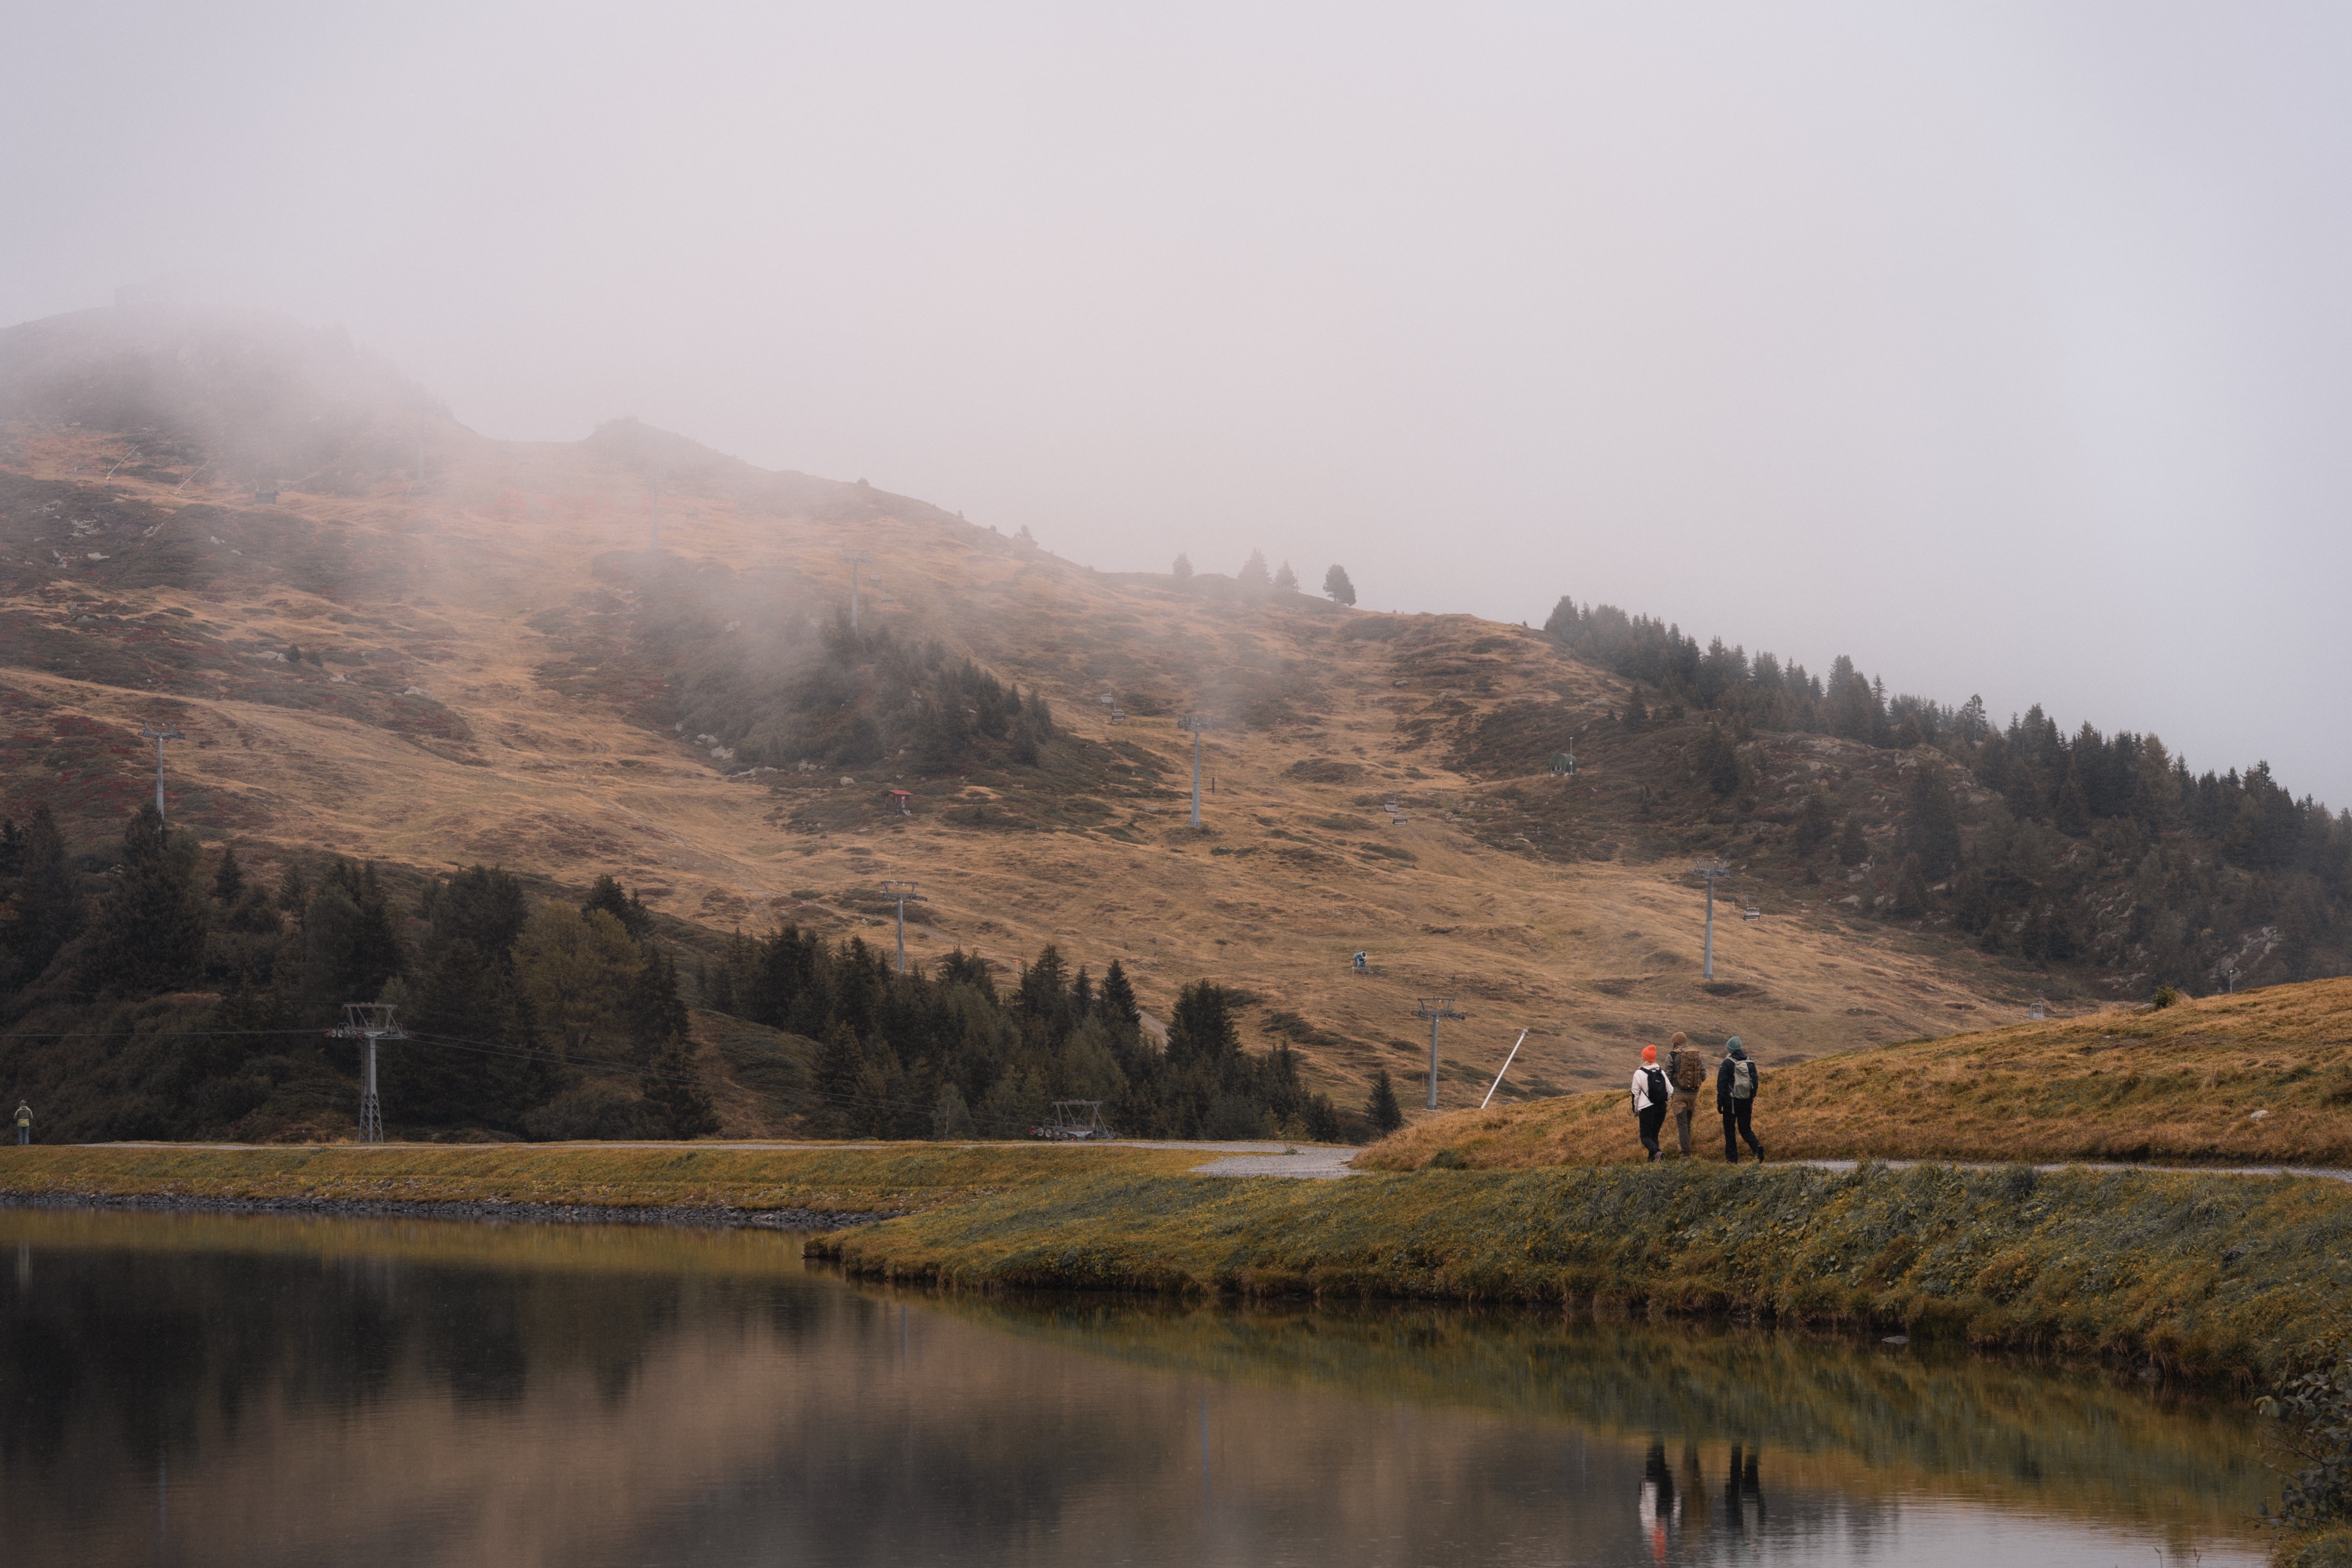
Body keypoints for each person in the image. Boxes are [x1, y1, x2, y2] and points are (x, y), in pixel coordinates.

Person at [1718, 1037, 1763, 1162]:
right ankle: (1757, 1147)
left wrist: (1720, 1103)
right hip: (1746, 1101)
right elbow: (1755, 1082)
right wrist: (1751, 1098)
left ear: (1729, 1049)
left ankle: (1732, 1160)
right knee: (1745, 1129)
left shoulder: (1727, 1063)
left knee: (1730, 1130)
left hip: (1730, 1103)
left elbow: (1721, 1084)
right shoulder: (1749, 1061)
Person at [1629, 1044, 1673, 1161]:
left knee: (1645, 1137)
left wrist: (1636, 1110)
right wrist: (1663, 1100)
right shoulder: (1661, 1072)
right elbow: (1670, 1090)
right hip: (1661, 1107)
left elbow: (1635, 1093)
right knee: (1654, 1135)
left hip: (1647, 1109)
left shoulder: (1639, 1073)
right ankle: (1653, 1161)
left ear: (1643, 1058)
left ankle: (1657, 1153)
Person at [1666, 1030, 1705, 1156]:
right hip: (1693, 1095)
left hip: (1678, 1094)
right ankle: (1687, 1152)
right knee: (1688, 1123)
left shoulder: (1672, 1055)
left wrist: (1673, 1088)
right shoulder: (1697, 1055)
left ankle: (1685, 1154)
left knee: (1681, 1124)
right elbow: (1703, 1075)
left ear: (1675, 1043)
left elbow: (1666, 1076)